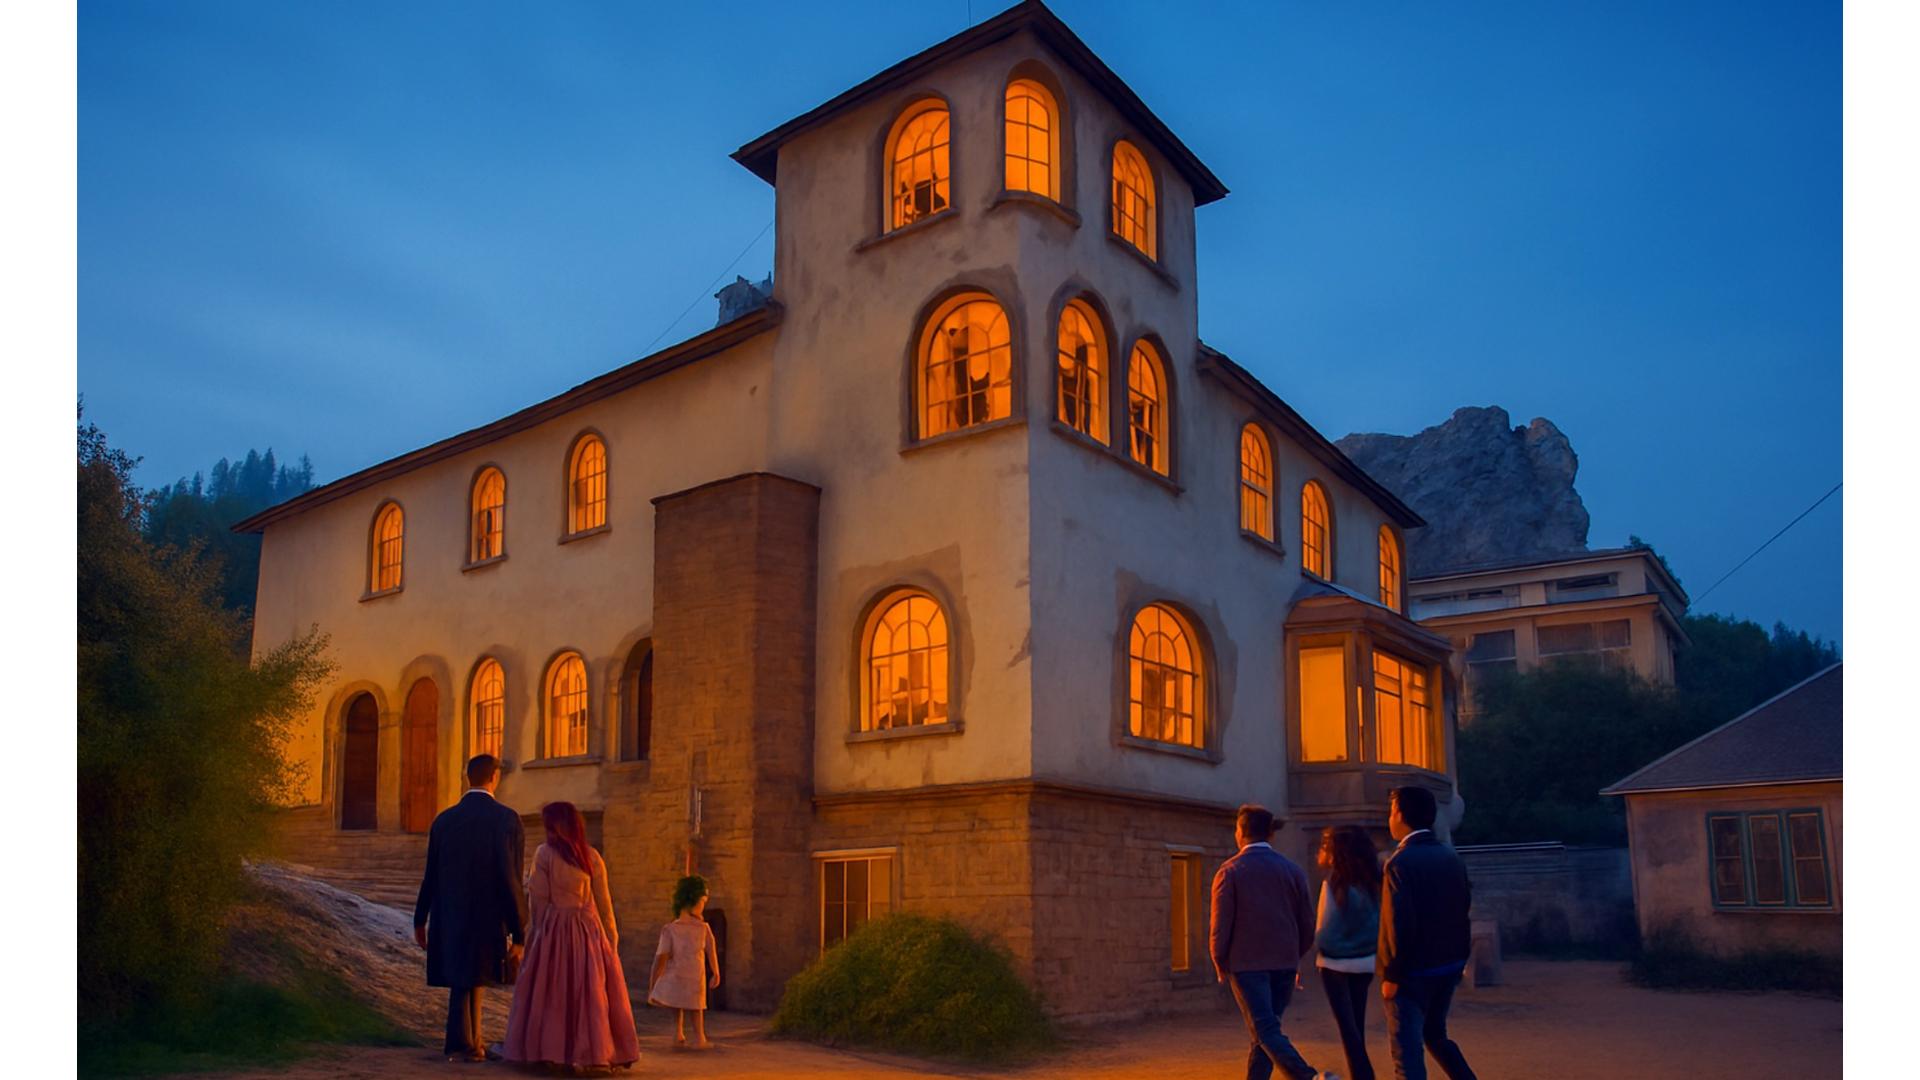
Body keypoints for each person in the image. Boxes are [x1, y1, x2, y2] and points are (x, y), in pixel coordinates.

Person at [502, 800, 641, 1069]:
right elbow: (604, 903)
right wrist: (610, 939)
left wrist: (538, 937)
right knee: (588, 992)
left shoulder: (545, 855)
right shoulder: (591, 857)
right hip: (588, 930)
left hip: (556, 928)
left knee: (553, 991)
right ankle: (591, 1050)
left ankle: (552, 1050)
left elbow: (538, 900)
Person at [1210, 804, 1339, 1080]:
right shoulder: (1292, 871)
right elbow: (1306, 922)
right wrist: (1295, 955)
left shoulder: (1230, 871)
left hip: (1246, 964)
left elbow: (1221, 925)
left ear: (1241, 831)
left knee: (1265, 1031)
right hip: (1283, 963)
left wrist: (1219, 960)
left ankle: (1308, 1077)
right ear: (1270, 834)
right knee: (1266, 1032)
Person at [413, 754, 527, 1062]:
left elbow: (431, 874)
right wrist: (519, 931)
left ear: (468, 778)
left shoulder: (444, 820)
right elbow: (511, 876)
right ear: (494, 778)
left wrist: (419, 919)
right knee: (474, 974)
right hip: (487, 914)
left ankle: (471, 1040)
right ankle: (465, 1043)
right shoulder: (506, 819)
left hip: (450, 912)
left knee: (466, 976)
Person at [1378, 786, 1477, 1080]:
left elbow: (1399, 922)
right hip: (1447, 963)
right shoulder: (1450, 856)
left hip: (1413, 972)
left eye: (1391, 811)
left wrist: (1392, 973)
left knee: (1407, 1053)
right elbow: (1463, 907)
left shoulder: (1400, 863)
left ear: (1400, 814)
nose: (1390, 818)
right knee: (1435, 1034)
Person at [1315, 826, 1382, 1080]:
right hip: (1366, 961)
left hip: (1334, 965)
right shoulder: (1374, 882)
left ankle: (1363, 1075)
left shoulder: (1334, 883)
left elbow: (1325, 927)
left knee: (1348, 1028)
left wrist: (1319, 948)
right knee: (1357, 1023)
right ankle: (1361, 1074)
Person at [648, 875, 722, 1050]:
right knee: (682, 1004)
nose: (703, 905)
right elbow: (661, 957)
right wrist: (654, 982)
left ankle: (697, 1036)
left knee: (693, 1006)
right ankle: (681, 1033)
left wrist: (716, 971)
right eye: (702, 901)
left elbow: (711, 950)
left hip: (690, 976)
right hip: (690, 975)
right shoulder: (672, 929)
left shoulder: (701, 929)